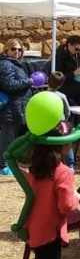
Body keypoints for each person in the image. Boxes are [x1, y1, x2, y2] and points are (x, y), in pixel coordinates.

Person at [23, 138, 80, 259]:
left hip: (36, 227)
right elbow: (66, 205)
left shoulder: (36, 170)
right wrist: (75, 199)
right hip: (51, 230)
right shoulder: (62, 171)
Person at [0, 38, 32, 176]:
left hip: (17, 107)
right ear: (6, 50)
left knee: (13, 138)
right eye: (13, 49)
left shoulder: (17, 64)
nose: (17, 52)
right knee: (8, 138)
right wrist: (29, 81)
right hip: (10, 108)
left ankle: (9, 164)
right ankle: (3, 165)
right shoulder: (6, 64)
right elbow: (9, 85)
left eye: (20, 49)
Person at [55, 35, 80, 105]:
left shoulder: (77, 55)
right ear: (69, 45)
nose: (78, 51)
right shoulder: (59, 56)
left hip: (78, 87)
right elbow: (57, 76)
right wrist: (73, 74)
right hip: (65, 89)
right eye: (76, 49)